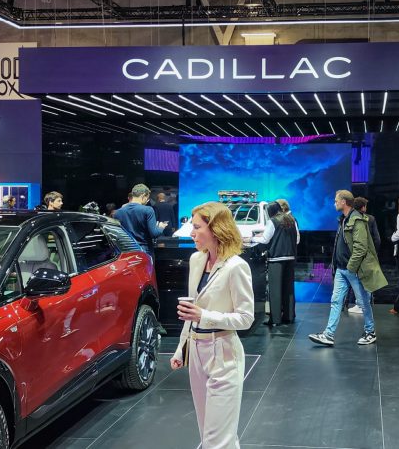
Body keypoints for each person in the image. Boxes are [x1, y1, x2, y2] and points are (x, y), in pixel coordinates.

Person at [170, 201, 254, 449]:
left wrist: (205, 315)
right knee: (210, 434)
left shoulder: (236, 266)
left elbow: (245, 318)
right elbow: (192, 311)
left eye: (197, 227)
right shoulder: (197, 259)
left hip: (223, 352)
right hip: (196, 351)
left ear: (216, 229)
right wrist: (181, 349)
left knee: (218, 440)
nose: (191, 233)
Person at [308, 190, 387, 346]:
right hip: (341, 269)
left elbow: (361, 248)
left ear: (344, 202)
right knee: (336, 301)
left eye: (336, 200)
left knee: (363, 302)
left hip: (353, 270)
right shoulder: (343, 219)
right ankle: (328, 334)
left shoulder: (357, 220)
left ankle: (370, 332)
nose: (334, 203)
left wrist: (351, 268)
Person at [253, 201, 298, 326]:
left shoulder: (272, 221)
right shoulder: (292, 220)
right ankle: (289, 316)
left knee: (275, 289)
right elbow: (297, 239)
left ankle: (276, 319)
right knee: (289, 289)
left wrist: (252, 238)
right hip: (290, 258)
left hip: (276, 259)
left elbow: (265, 239)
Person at [347, 196, 381, 314]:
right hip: (368, 254)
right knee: (367, 280)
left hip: (356, 253)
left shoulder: (351, 219)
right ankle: (364, 305)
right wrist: (374, 253)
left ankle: (361, 305)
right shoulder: (370, 219)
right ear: (363, 207)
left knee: (358, 280)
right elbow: (377, 238)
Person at [113, 184, 166, 257]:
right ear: (143, 196)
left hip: (125, 252)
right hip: (144, 251)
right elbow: (154, 234)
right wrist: (161, 227)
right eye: (147, 198)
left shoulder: (118, 212)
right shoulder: (148, 210)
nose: (147, 201)